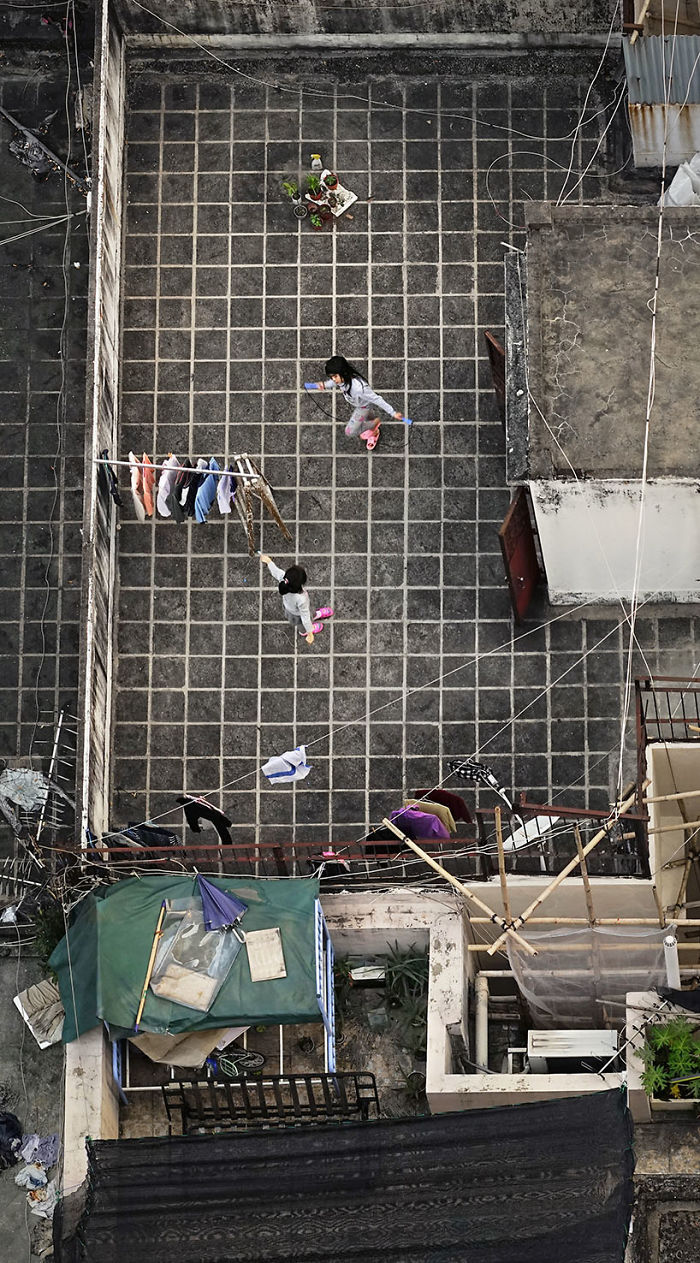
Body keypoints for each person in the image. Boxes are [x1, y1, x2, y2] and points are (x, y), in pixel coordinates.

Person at [313, 355, 403, 450]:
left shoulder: (359, 388)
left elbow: (377, 399)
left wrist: (393, 412)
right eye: (331, 377)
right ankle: (374, 430)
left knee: (350, 431)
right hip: (360, 403)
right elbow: (335, 382)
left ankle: (374, 425)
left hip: (363, 407)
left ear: (343, 373)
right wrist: (324, 385)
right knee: (369, 417)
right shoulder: (343, 378)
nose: (334, 380)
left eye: (335, 376)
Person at [260, 554, 333, 645]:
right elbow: (305, 617)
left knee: (309, 612)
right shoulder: (301, 599)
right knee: (303, 623)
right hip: (296, 615)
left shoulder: (284, 580)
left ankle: (314, 616)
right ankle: (304, 632)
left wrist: (269, 562)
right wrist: (310, 633)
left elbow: (276, 571)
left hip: (290, 609)